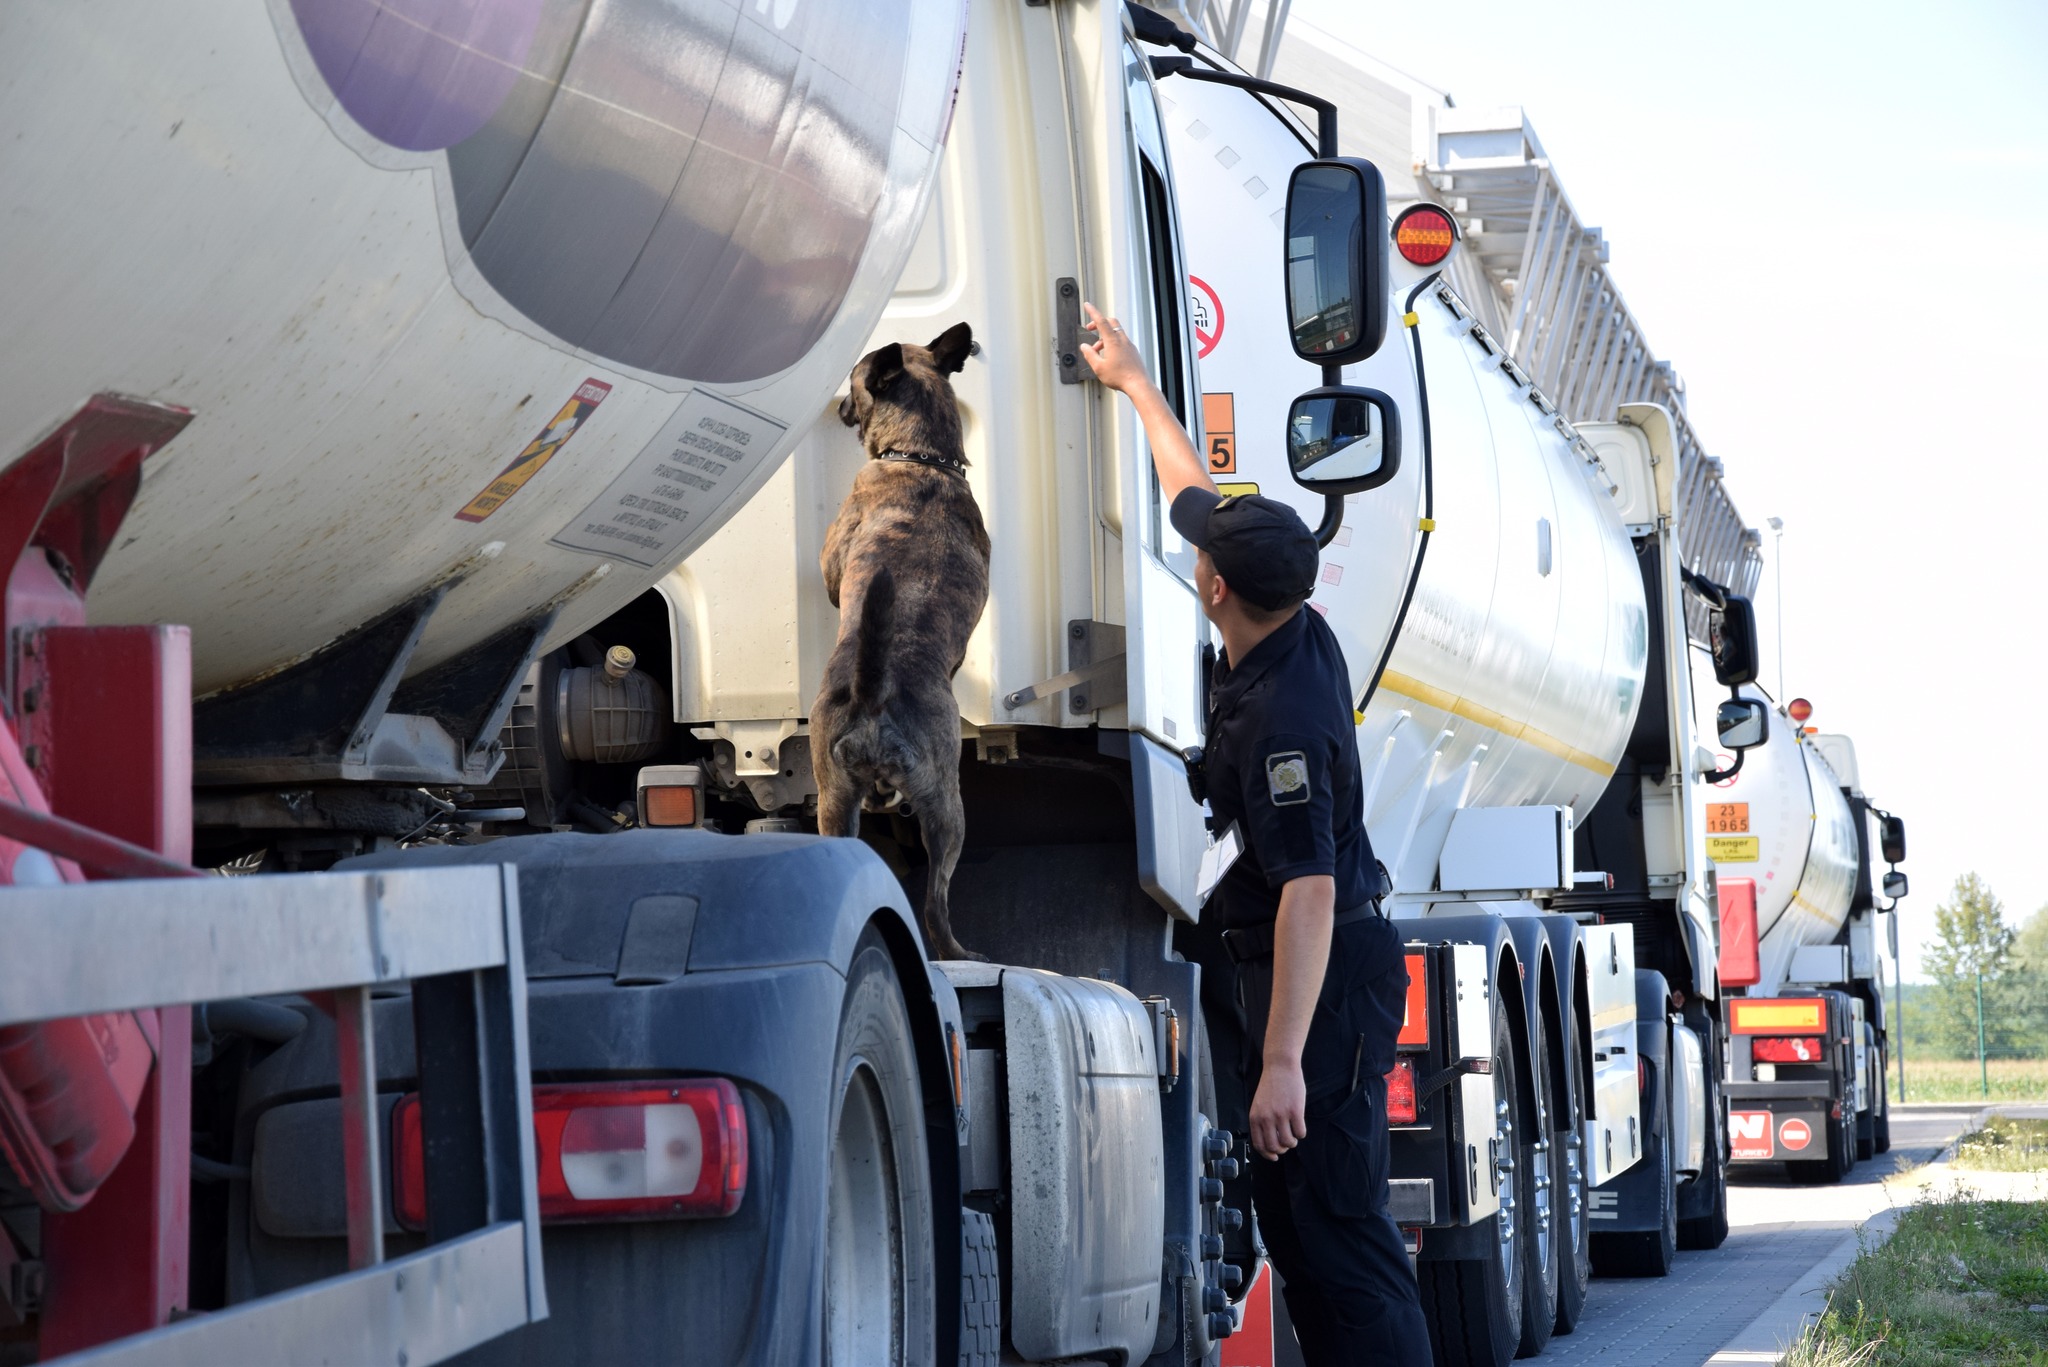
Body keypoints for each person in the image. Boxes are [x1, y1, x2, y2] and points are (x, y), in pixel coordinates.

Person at [1079, 302, 1431, 1367]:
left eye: (1204, 556)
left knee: (1339, 1236)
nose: (1196, 555)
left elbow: (1308, 892)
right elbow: (1193, 495)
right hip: (1298, 974)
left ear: (1215, 586)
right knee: (1301, 1230)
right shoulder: (1287, 622)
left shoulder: (1283, 722)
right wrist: (1135, 384)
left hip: (1323, 983)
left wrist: (1282, 1062)